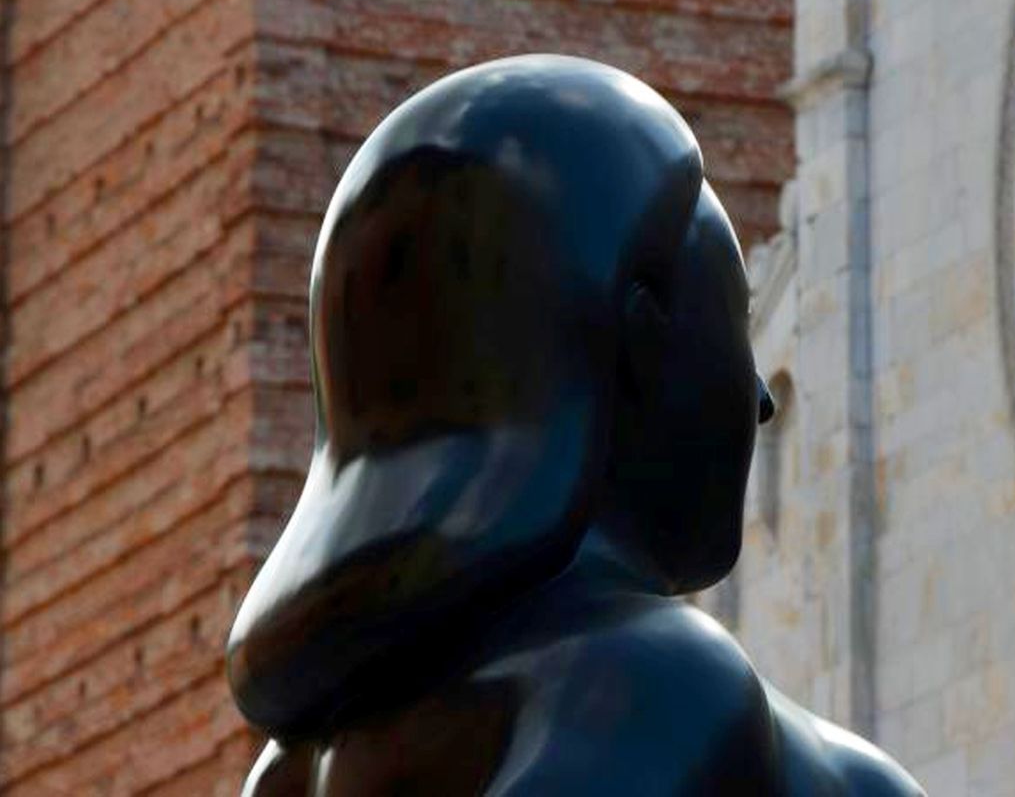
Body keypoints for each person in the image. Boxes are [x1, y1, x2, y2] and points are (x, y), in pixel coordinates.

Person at [225, 55, 923, 796]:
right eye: (733, 321)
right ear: (641, 341)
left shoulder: (295, 767)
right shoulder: (656, 685)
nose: (760, 397)